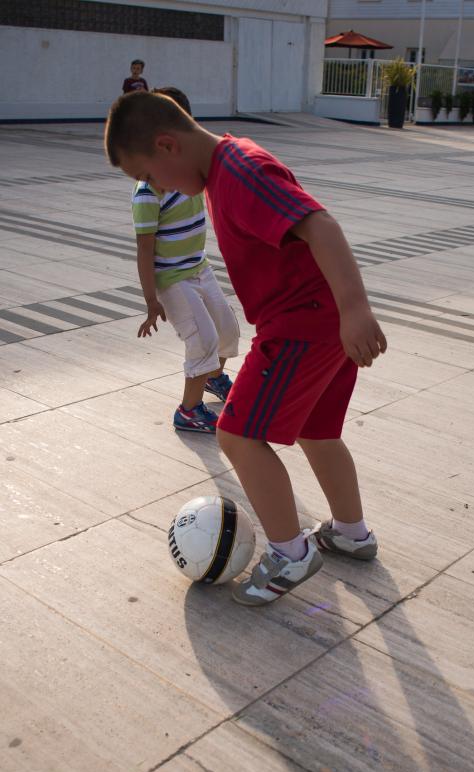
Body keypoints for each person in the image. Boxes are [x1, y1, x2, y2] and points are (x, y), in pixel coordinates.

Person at [105, 91, 388, 606]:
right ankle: (351, 531)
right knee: (316, 431)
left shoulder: (241, 172)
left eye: (147, 176)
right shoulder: (223, 168)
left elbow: (321, 225)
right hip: (317, 322)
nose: (154, 189)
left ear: (168, 146)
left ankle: (291, 553)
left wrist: (355, 308)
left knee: (236, 434)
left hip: (302, 324)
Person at [131, 87, 239, 434]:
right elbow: (144, 250)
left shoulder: (191, 170)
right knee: (203, 339)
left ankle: (213, 377)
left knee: (227, 329)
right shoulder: (148, 191)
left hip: (199, 267)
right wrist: (151, 301)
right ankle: (189, 411)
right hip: (172, 279)